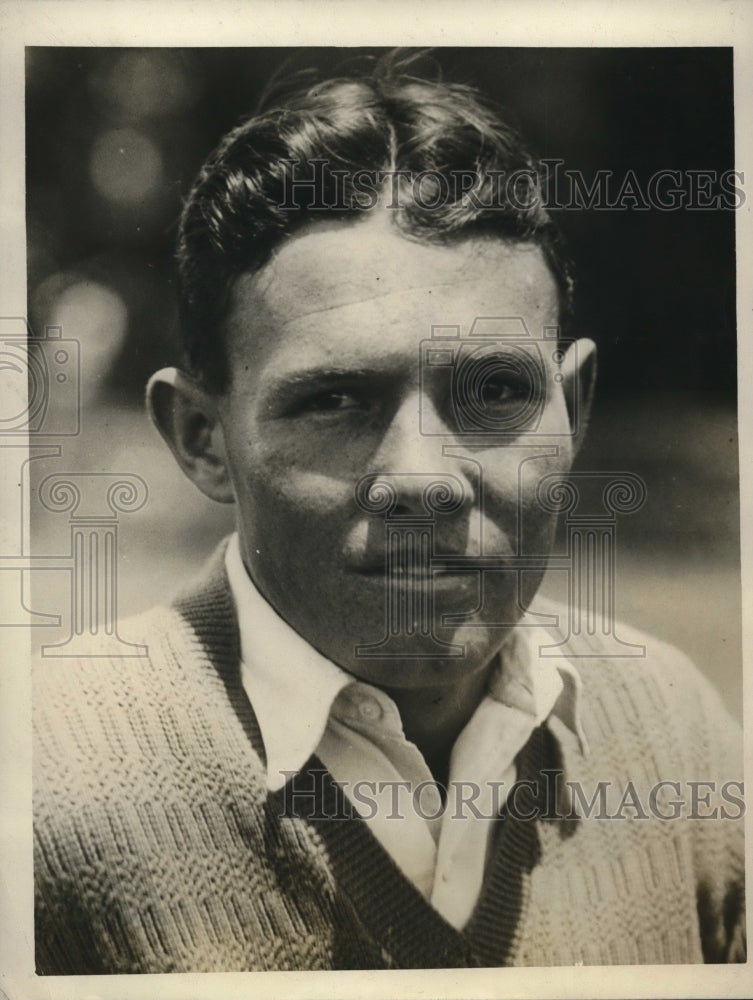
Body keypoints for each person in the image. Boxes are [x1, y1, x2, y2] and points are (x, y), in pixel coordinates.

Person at [33, 53, 745, 972]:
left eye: (493, 391)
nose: (423, 478)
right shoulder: (46, 783)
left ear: (571, 409)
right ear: (203, 439)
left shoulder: (674, 736)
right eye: (335, 401)